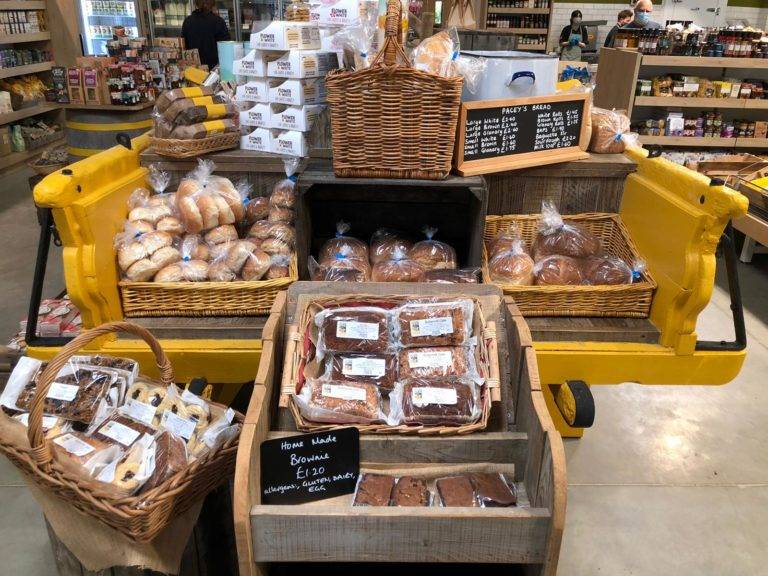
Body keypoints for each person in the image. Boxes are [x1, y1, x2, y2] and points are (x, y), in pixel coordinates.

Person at [182, 0, 230, 69]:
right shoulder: (218, 21)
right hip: (213, 70)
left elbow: (184, 46)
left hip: (193, 69)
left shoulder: (187, 21)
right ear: (212, 3)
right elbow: (226, 48)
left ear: (196, 3)